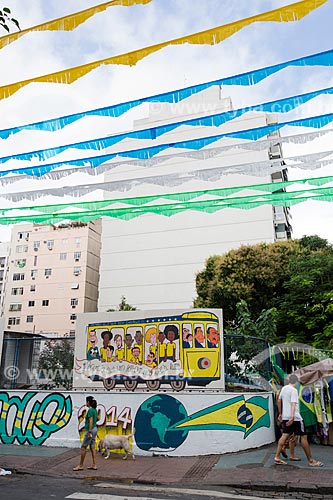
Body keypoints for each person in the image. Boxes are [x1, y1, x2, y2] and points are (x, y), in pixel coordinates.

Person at [274, 374, 323, 467]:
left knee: (284, 435)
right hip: (295, 417)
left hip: (285, 416)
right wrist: (292, 416)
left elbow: (279, 401)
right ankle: (311, 460)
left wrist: (280, 413)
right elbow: (293, 404)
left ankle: (277, 456)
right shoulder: (294, 390)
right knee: (304, 437)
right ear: (296, 382)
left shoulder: (284, 389)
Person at [73, 396, 98, 471]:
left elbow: (90, 420)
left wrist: (89, 432)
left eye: (86, 401)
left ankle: (80, 465)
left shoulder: (90, 410)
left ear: (88, 402)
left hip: (90, 430)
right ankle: (94, 464)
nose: (85, 403)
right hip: (95, 428)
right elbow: (97, 419)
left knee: (83, 447)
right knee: (92, 447)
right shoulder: (95, 410)